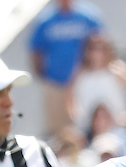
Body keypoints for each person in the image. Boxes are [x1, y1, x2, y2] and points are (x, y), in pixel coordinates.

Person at [29, 0, 104, 136]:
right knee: (57, 131)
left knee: (83, 125)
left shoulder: (88, 17)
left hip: (82, 83)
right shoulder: (46, 20)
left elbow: (101, 43)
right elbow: (36, 50)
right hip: (55, 83)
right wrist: (43, 76)